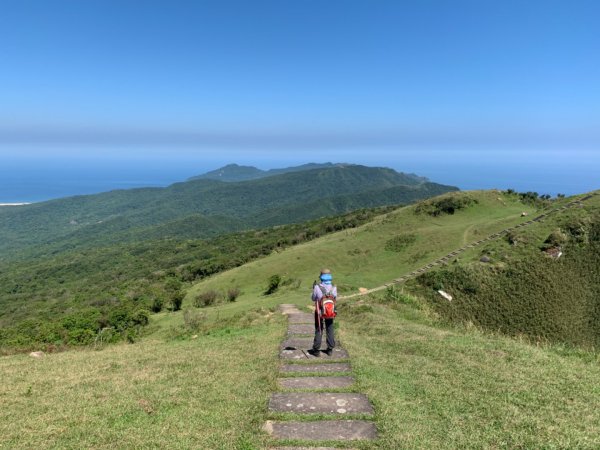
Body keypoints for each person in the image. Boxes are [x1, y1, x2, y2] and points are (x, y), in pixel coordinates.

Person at [308, 268, 337, 357]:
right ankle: (330, 349)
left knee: (319, 329)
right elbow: (334, 299)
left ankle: (316, 350)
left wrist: (314, 289)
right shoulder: (334, 287)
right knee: (330, 328)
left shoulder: (317, 287)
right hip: (330, 311)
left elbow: (313, 298)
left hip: (319, 311)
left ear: (321, 277)